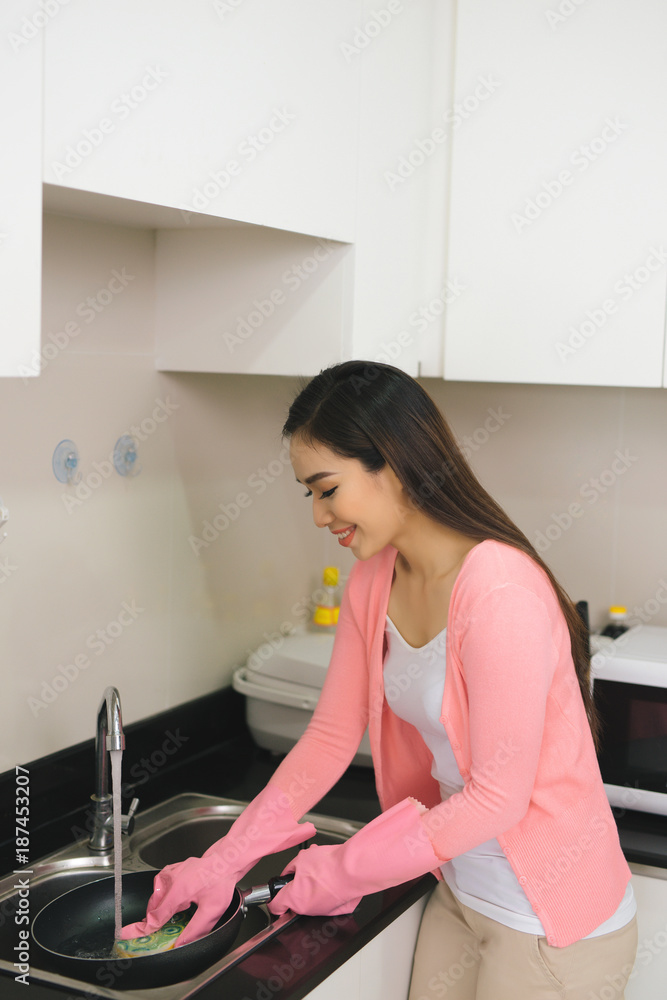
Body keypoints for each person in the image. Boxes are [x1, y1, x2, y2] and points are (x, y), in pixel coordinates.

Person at [122, 361, 638, 999]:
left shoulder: (501, 591)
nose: (318, 515)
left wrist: (344, 869)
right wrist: (223, 862)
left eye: (326, 488)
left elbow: (499, 796)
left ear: (391, 465)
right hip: (458, 892)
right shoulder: (373, 581)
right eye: (308, 493)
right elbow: (329, 738)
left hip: (551, 922)